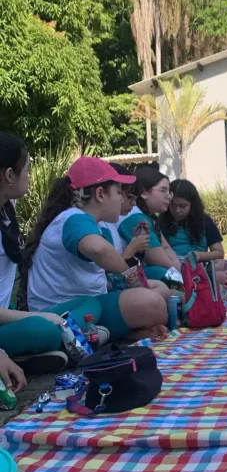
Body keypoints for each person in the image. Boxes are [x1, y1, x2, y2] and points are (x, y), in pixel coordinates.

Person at [23, 157, 168, 341]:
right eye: (118, 192)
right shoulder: (74, 218)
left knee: (159, 290)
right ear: (100, 194)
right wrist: (130, 276)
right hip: (64, 310)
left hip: (86, 302)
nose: (121, 199)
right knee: (153, 302)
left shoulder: (87, 221)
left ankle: (112, 334)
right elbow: (99, 250)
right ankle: (96, 334)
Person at [0, 134, 100, 380]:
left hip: (7, 315)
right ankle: (56, 341)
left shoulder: (7, 208)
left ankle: (49, 345)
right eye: (27, 169)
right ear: (10, 175)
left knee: (90, 304)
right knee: (45, 329)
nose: (30, 176)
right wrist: (41, 316)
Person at [118, 167, 182, 279]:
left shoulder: (149, 217)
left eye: (169, 192)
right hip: (119, 277)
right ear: (144, 192)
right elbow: (164, 263)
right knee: (166, 275)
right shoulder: (134, 217)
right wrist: (182, 273)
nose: (168, 197)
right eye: (163, 190)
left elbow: (166, 248)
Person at [159, 179, 224, 262]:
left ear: (192, 205)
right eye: (173, 206)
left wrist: (199, 256)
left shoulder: (204, 221)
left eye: (183, 206)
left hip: (199, 266)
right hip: (172, 266)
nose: (177, 210)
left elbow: (219, 253)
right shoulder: (162, 222)